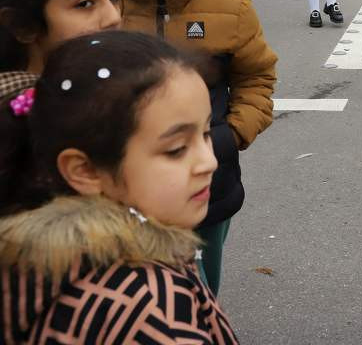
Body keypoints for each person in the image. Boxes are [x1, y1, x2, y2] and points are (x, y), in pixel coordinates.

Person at [0, 31, 238, 343]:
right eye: (177, 149)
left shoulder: (45, 262)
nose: (208, 161)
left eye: (205, 133)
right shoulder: (151, 308)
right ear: (84, 170)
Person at [106, 0, 277, 293]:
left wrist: (231, 135)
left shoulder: (230, 8)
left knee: (200, 288)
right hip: (116, 182)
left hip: (207, 179)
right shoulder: (104, 5)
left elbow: (257, 77)